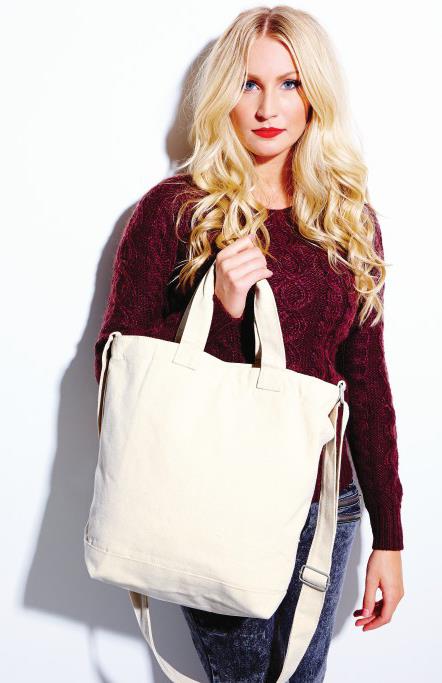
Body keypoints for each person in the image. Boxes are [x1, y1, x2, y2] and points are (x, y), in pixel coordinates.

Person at [94, 5, 405, 682]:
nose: (268, 107)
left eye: (289, 84)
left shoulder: (348, 221)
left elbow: (367, 381)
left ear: (315, 95)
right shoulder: (175, 210)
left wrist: (390, 537)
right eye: (248, 84)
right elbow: (117, 367)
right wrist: (220, 311)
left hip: (326, 503)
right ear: (222, 95)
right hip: (215, 492)